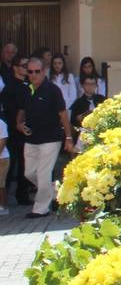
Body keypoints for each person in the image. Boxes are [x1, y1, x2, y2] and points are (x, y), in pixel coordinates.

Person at [15, 56, 74, 218]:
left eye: (37, 71)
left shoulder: (53, 90)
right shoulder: (26, 90)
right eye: (30, 71)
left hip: (51, 138)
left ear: (44, 71)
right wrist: (19, 124)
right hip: (31, 138)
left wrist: (68, 138)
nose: (33, 74)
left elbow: (63, 115)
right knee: (29, 173)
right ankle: (56, 191)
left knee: (42, 173)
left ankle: (41, 208)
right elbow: (21, 112)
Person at [1, 56, 29, 205]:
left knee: (25, 164)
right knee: (11, 165)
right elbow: (10, 110)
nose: (26, 68)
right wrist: (17, 124)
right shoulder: (9, 87)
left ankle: (22, 195)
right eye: (23, 65)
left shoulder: (29, 84)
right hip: (13, 131)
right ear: (15, 67)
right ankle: (4, 198)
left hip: (27, 130)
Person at [69, 76, 107, 147]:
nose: (90, 86)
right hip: (84, 133)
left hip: (101, 131)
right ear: (83, 86)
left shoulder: (101, 99)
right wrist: (82, 115)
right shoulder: (78, 102)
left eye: (93, 84)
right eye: (87, 84)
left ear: (96, 86)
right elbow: (73, 121)